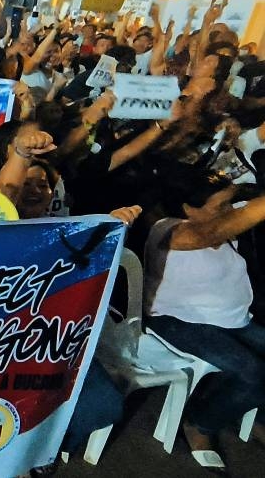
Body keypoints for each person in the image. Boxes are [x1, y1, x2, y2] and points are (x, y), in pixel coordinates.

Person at [144, 167, 265, 470]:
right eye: (220, 206)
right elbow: (208, 234)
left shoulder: (222, 223)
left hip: (230, 318)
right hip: (176, 320)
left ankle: (258, 417)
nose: (228, 211)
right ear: (188, 208)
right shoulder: (168, 229)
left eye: (229, 203)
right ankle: (200, 424)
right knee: (251, 371)